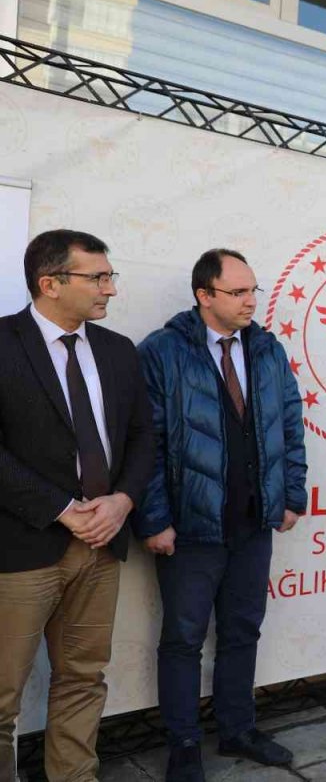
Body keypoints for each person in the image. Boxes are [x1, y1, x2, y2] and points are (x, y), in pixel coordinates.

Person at [135, 249, 307, 782]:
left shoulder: (267, 349)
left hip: (254, 523)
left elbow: (290, 425)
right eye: (237, 292)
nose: (251, 301)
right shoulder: (161, 352)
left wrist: (292, 495)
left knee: (242, 631)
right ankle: (184, 744)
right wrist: (155, 518)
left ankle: (237, 730)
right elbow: (146, 444)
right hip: (191, 528)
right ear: (204, 295)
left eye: (253, 290)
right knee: (183, 638)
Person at [0, 230, 153, 782]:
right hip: (20, 553)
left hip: (101, 547)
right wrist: (62, 508)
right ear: (50, 283)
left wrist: (123, 500)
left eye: (110, 275)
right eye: (98, 277)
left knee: (83, 680)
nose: (110, 289)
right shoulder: (3, 342)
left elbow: (142, 437)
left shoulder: (116, 350)